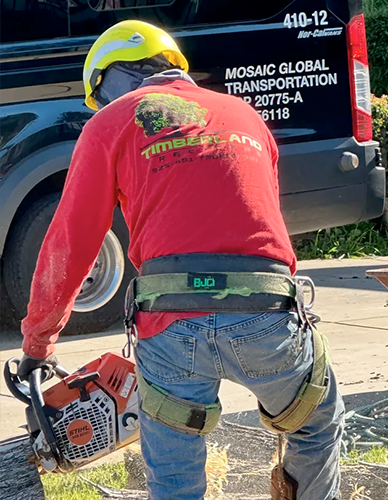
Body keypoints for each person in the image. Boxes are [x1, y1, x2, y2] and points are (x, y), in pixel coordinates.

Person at [17, 20, 344, 500]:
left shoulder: (110, 123)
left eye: (101, 92)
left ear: (113, 74)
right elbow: (262, 217)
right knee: (315, 423)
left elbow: (71, 241)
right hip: (267, 317)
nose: (104, 105)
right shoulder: (245, 116)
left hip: (170, 327)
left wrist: (38, 343)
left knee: (174, 473)